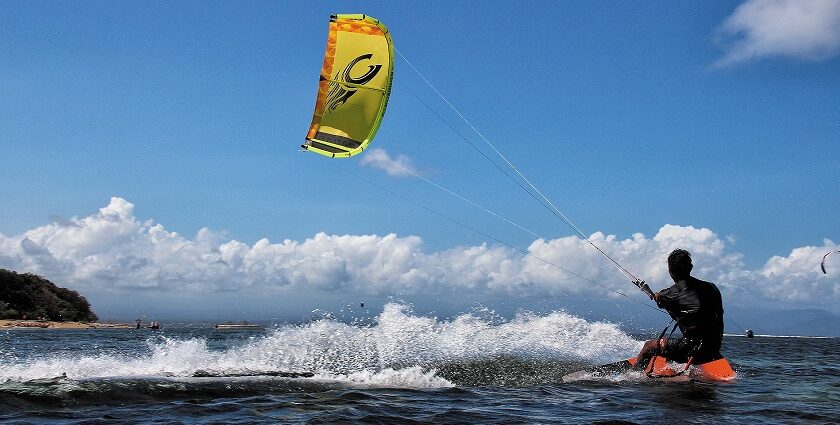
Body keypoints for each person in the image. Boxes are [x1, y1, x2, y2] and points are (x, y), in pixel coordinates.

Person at [634, 249, 724, 368]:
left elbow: (660, 298)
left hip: (693, 351)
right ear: (690, 267)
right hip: (714, 348)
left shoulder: (672, 293)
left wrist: (650, 292)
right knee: (678, 342)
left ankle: (633, 375)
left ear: (670, 270)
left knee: (649, 346)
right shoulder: (712, 288)